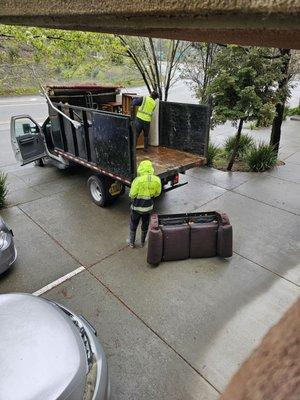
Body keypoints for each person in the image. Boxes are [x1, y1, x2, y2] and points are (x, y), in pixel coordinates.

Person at [128, 159, 162, 248]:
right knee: (145, 225)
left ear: (141, 168)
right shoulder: (157, 180)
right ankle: (143, 242)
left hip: (136, 209)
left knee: (133, 224)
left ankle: (131, 243)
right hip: (148, 209)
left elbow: (132, 194)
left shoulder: (137, 180)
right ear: (150, 168)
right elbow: (157, 193)